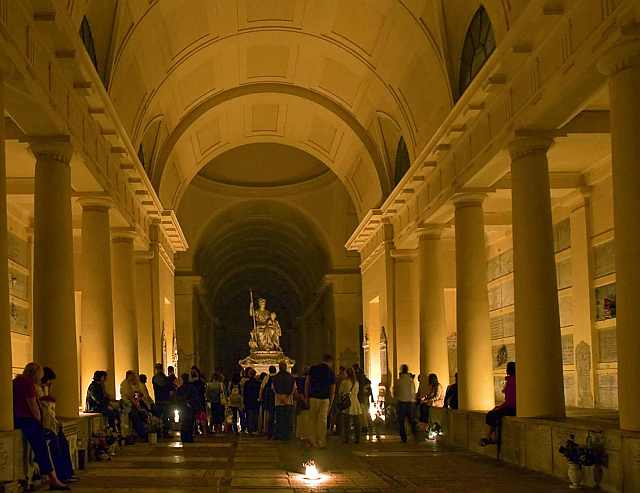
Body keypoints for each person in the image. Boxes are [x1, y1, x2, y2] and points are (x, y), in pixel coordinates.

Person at [13, 363, 70, 490]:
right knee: (43, 446)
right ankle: (54, 478)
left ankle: (55, 476)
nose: (40, 379)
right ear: (34, 374)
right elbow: (33, 406)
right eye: (39, 376)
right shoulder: (27, 384)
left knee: (47, 442)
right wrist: (40, 421)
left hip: (17, 419)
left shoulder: (16, 381)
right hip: (27, 420)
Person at [38, 367, 76, 484]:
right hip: (45, 426)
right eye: (49, 380)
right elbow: (46, 409)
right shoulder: (37, 389)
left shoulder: (43, 389)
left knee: (63, 444)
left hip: (51, 424)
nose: (50, 383)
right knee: (57, 447)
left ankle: (67, 473)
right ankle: (62, 475)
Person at [481, 362, 516, 446]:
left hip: (511, 408)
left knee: (491, 414)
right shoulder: (513, 380)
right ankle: (490, 436)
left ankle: (489, 437)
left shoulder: (511, 381)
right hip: (511, 406)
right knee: (494, 413)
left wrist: (500, 407)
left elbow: (510, 401)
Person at [305, 354, 336, 448]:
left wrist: (306, 397)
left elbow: (307, 383)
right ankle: (321, 441)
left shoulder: (313, 368)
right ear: (330, 362)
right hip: (325, 399)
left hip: (313, 397)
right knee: (322, 421)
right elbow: (333, 389)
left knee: (312, 420)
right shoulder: (331, 372)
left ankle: (312, 440)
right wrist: (331, 402)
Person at [271, 361, 296, 440]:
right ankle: (287, 435)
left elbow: (273, 388)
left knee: (279, 419)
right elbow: (294, 388)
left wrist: (279, 397)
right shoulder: (291, 377)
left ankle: (280, 434)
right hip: (288, 401)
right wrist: (287, 397)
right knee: (287, 419)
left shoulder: (275, 377)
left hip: (278, 401)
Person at [395, 364, 418, 443]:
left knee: (401, 421)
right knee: (411, 421)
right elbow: (413, 391)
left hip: (402, 402)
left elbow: (396, 392)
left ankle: (403, 438)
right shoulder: (411, 380)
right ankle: (415, 435)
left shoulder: (399, 381)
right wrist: (413, 401)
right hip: (410, 403)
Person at [338, 368, 361, 444]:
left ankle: (346, 438)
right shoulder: (356, 383)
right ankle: (357, 438)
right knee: (356, 422)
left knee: (346, 422)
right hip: (355, 402)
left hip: (347, 402)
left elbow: (340, 392)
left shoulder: (344, 382)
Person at [175, 373, 198, 443]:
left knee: (184, 422)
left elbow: (177, 398)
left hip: (183, 407)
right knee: (190, 423)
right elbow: (195, 398)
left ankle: (184, 437)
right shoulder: (192, 388)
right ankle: (189, 437)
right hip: (189, 408)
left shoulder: (180, 389)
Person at [152, 364, 173, 436]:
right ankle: (166, 431)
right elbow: (170, 388)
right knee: (166, 417)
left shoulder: (155, 378)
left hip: (159, 400)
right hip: (166, 400)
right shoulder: (165, 379)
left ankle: (159, 431)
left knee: (159, 417)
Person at [354, 365, 374, 434]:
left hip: (361, 397)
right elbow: (369, 389)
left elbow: (362, 389)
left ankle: (365, 427)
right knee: (365, 412)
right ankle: (369, 425)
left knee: (363, 412)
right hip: (365, 397)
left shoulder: (359, 379)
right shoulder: (365, 379)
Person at [259, 366, 277, 438]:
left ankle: (268, 430)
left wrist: (260, 397)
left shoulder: (266, 378)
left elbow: (262, 388)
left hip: (268, 398)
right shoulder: (277, 377)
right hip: (277, 398)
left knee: (268, 414)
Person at [294, 366, 310, 443]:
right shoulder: (311, 380)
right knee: (306, 419)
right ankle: (306, 434)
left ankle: (300, 434)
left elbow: (298, 392)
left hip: (300, 402)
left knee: (300, 419)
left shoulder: (299, 380)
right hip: (307, 401)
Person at [243, 369, 261, 434]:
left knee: (249, 415)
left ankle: (250, 429)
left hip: (248, 401)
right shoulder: (258, 383)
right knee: (255, 415)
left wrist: (244, 402)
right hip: (256, 401)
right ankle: (255, 429)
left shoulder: (247, 383)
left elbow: (245, 393)